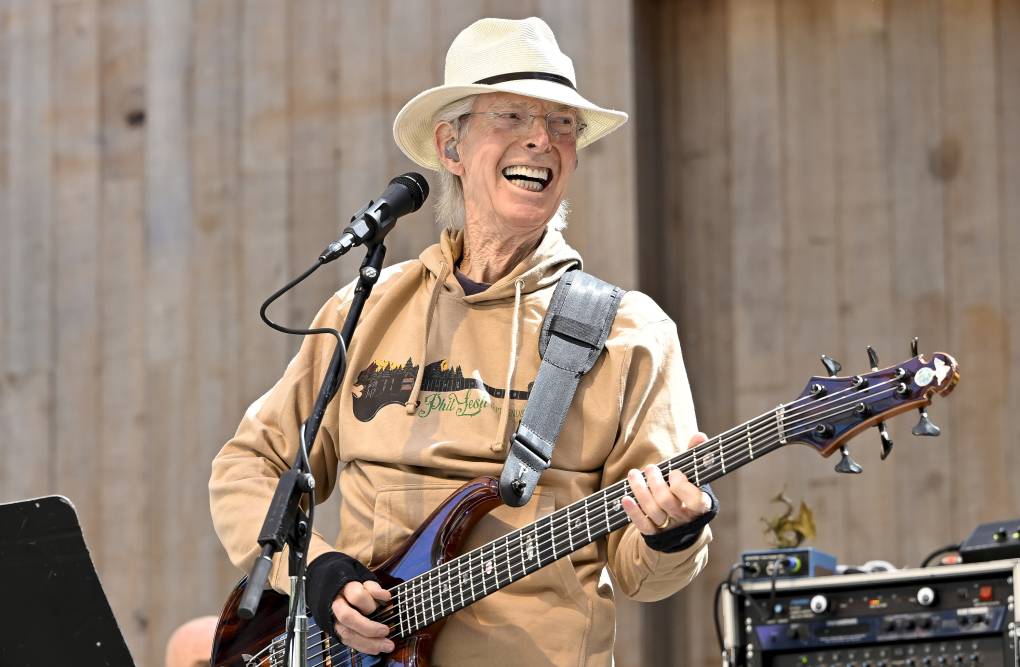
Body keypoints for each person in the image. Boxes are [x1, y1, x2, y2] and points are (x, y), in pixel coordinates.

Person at [210, 17, 717, 666]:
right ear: (450, 148)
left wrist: (675, 531)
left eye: (563, 123)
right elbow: (245, 467)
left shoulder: (631, 333)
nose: (542, 139)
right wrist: (317, 575)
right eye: (511, 115)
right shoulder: (366, 308)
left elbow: (645, 573)